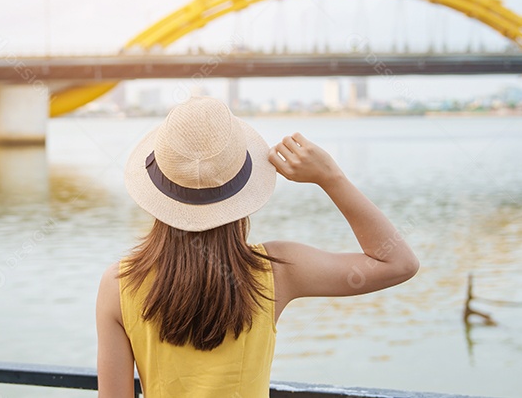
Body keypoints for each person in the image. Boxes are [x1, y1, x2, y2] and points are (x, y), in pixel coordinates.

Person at [96, 97, 419, 397]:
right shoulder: (276, 270)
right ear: (242, 187)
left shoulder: (119, 284)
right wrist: (331, 178)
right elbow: (398, 263)